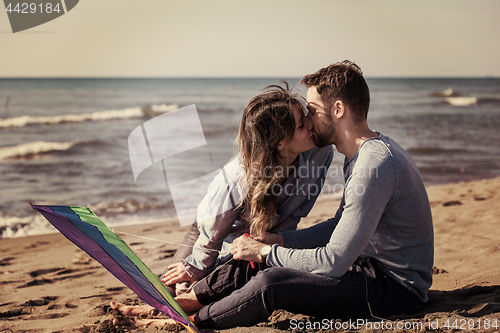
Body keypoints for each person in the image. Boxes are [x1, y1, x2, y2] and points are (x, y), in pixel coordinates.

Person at [113, 61, 434, 330]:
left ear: (338, 109)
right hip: (367, 266)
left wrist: (267, 254)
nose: (308, 119)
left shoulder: (373, 165)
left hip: (394, 289)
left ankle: (192, 321)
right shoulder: (361, 156)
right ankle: (183, 303)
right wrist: (276, 241)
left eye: (312, 109)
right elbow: (339, 225)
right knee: (256, 254)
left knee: (271, 282)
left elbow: (333, 262)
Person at [110, 83, 334, 324]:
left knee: (228, 280)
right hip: (209, 230)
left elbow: (297, 213)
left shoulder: (320, 154)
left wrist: (275, 243)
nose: (311, 125)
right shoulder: (238, 176)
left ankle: (181, 306)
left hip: (260, 236)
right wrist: (196, 268)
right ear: (278, 142)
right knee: (175, 287)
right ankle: (156, 307)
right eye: (302, 125)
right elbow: (212, 235)